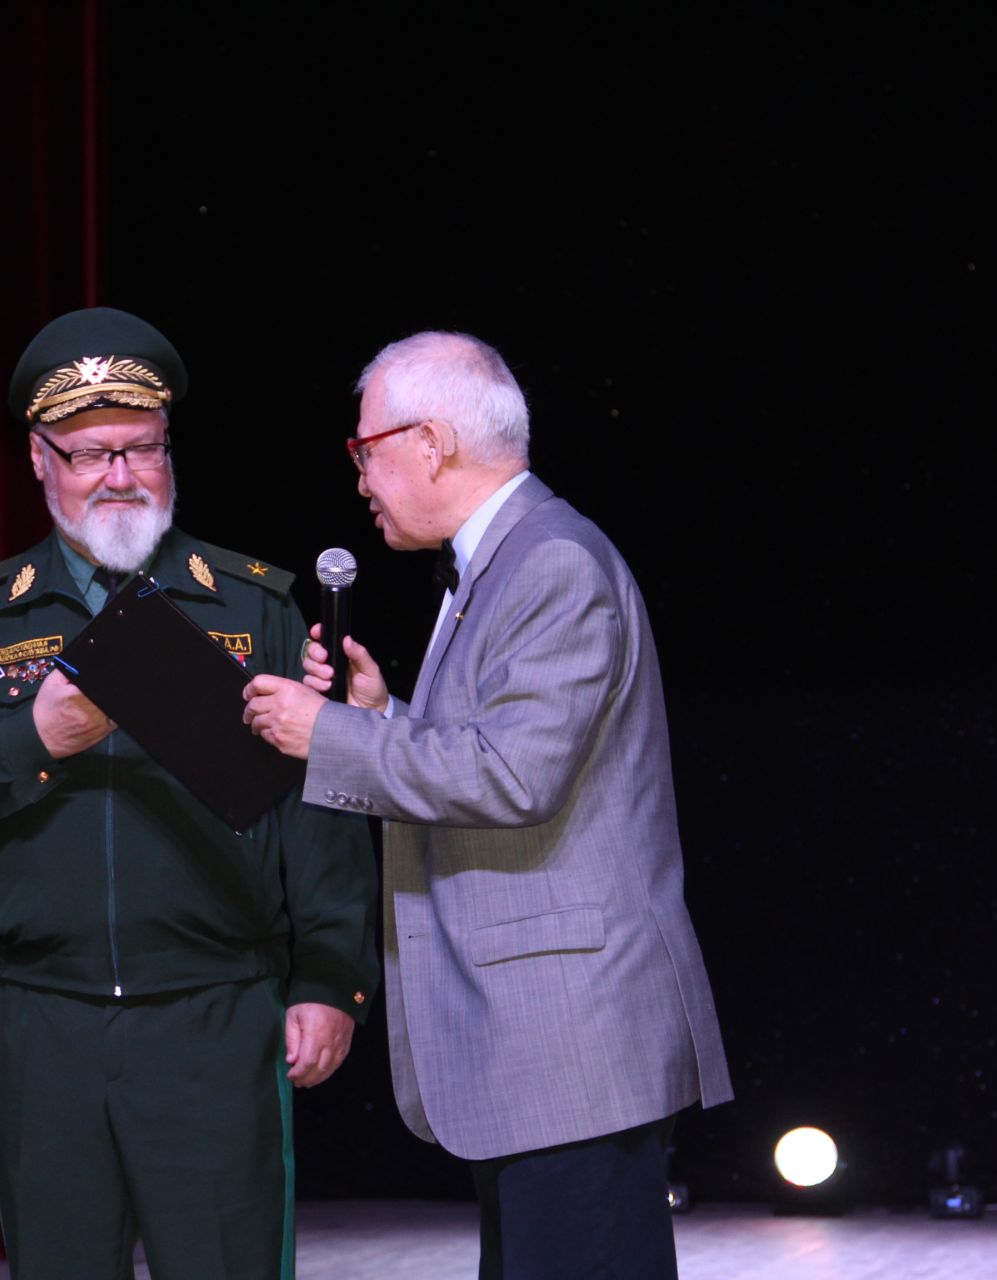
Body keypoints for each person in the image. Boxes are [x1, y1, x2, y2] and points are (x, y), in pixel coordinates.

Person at [0, 307, 379, 1280]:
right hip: (43, 1020)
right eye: (90, 453)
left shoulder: (250, 606)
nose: (119, 476)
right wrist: (35, 737)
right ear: (38, 458)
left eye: (141, 448)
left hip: (214, 1014)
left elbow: (320, 799)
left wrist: (328, 976)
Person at [243, 330, 732, 1279]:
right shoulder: (499, 565)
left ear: (431, 443)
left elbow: (514, 776)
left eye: (364, 449)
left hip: (571, 1050)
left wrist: (329, 735)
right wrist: (383, 714)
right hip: (542, 1054)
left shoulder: (550, 563)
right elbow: (504, 750)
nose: (360, 479)